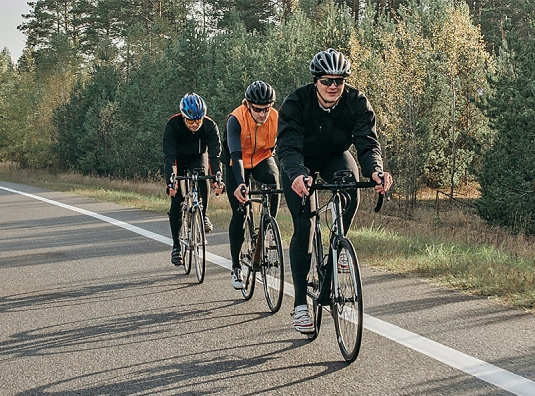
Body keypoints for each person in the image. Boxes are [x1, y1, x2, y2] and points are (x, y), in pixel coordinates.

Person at [276, 49, 393, 333]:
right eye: (327, 80)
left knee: (351, 185)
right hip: (300, 160)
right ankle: (301, 304)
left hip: (334, 156)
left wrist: (376, 171)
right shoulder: (295, 102)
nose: (333, 86)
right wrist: (296, 175)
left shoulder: (356, 102)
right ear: (316, 80)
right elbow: (288, 147)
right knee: (305, 226)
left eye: (339, 81)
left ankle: (340, 243)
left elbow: (367, 143)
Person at [221, 81, 280, 289]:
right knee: (240, 212)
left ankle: (269, 227)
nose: (263, 114)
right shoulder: (235, 119)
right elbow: (236, 155)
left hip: (262, 157)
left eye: (267, 108)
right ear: (248, 105)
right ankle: (236, 267)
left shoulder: (275, 118)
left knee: (274, 180)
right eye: (258, 109)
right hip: (237, 162)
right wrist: (240, 184)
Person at [163, 93, 224, 266]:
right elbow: (169, 157)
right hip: (178, 159)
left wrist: (217, 179)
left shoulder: (210, 125)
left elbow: (215, 155)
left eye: (199, 121)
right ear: (183, 117)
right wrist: (171, 181)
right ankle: (176, 246)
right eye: (191, 121)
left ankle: (202, 214)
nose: (196, 125)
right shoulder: (172, 125)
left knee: (202, 173)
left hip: (198, 156)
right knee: (176, 201)